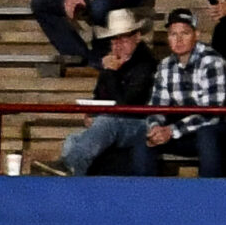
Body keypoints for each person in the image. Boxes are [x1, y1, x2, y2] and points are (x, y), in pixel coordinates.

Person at [137, 8, 226, 176]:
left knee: (207, 134)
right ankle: (145, 194)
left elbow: (212, 114)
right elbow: (157, 106)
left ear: (197, 34)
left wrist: (171, 130)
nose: (178, 39)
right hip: (188, 128)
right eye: (173, 34)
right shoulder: (166, 65)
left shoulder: (212, 63)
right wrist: (156, 127)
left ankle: (209, 193)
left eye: (185, 33)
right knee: (145, 136)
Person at [59, 9, 158, 174]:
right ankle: (71, 187)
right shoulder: (111, 63)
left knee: (107, 122)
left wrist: (111, 73)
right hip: (113, 122)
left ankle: (68, 168)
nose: (118, 43)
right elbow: (98, 96)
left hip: (140, 123)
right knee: (72, 140)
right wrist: (91, 113)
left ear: (137, 37)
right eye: (114, 39)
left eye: (124, 37)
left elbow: (126, 104)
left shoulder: (145, 65)